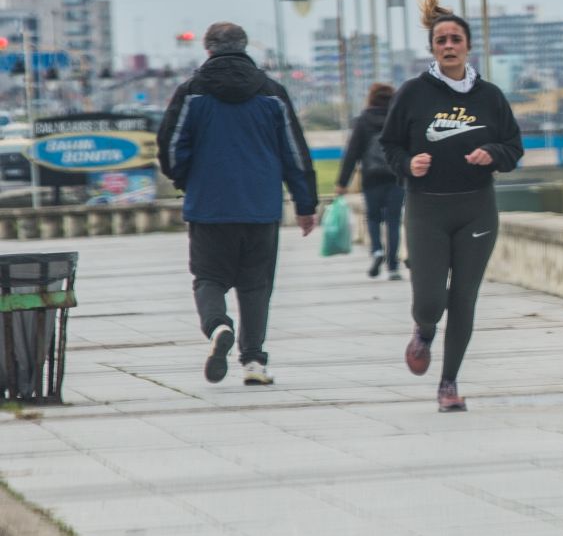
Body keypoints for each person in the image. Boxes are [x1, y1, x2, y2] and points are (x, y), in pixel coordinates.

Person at [381, 0, 523, 412]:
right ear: (433, 49)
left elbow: (514, 149)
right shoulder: (413, 94)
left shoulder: (490, 96)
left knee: (463, 297)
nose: (448, 45)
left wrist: (492, 154)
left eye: (455, 39)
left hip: (476, 208)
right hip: (426, 208)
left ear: (468, 47)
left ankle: (448, 383)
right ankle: (424, 330)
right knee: (430, 300)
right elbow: (388, 145)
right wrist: (408, 165)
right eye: (441, 40)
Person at [156, 21, 318, 386]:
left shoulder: (192, 93)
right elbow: (294, 151)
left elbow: (170, 145)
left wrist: (185, 178)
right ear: (245, 47)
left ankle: (218, 327)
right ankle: (254, 362)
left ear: (207, 49)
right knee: (256, 285)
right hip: (260, 207)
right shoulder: (272, 93)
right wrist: (305, 203)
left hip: (209, 206)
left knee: (208, 278)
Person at [336, 82, 403, 281]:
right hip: (396, 177)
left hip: (371, 177)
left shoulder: (363, 120)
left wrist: (342, 182)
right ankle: (393, 266)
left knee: (373, 218)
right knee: (393, 221)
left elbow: (352, 153)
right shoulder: (397, 118)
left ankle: (376, 251)